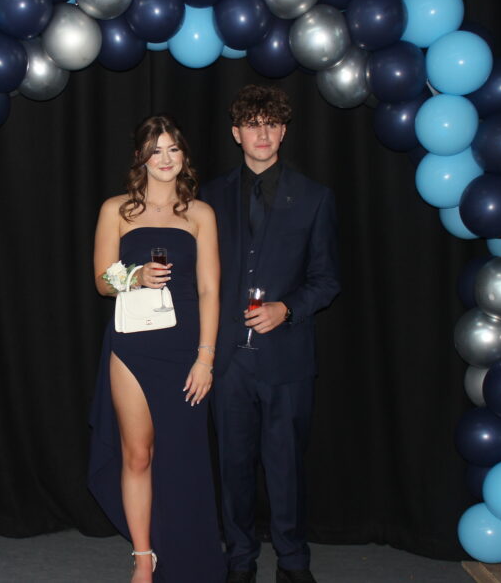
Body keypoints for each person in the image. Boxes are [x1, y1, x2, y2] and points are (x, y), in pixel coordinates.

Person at [201, 86, 340, 583]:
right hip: (227, 361)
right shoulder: (208, 197)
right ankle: (239, 560)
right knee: (232, 468)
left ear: (283, 131)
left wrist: (288, 308)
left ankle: (293, 562)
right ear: (236, 133)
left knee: (286, 468)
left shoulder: (315, 197)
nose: (262, 134)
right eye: (252, 125)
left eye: (271, 124)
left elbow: (327, 279)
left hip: (287, 358)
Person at [89, 115, 226, 583]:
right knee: (137, 454)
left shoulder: (200, 214)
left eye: (173, 149)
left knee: (184, 458)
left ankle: (189, 556)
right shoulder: (117, 209)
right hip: (131, 345)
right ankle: (143, 558)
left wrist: (206, 357)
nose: (165, 159)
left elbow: (210, 291)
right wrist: (135, 276)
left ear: (183, 155)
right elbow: (102, 280)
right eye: (155, 150)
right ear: (140, 158)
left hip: (185, 347)